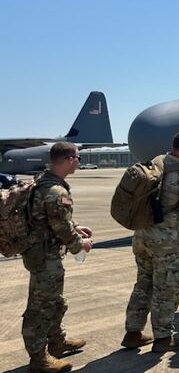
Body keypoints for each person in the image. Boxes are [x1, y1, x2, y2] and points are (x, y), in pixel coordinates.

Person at [122, 131, 179, 352]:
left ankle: (133, 333)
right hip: (166, 242)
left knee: (143, 284)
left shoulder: (155, 166)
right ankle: (163, 338)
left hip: (142, 236)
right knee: (166, 288)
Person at [22, 142, 93, 372]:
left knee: (54, 301)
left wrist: (75, 225)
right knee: (40, 307)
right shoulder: (56, 191)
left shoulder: (43, 181)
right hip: (45, 257)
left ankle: (57, 342)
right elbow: (60, 227)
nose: (79, 162)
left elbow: (51, 218)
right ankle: (38, 358)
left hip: (42, 252)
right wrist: (80, 244)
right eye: (78, 158)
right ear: (70, 160)